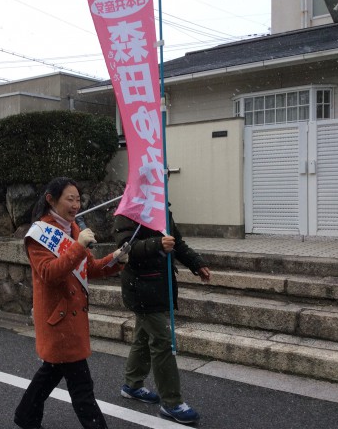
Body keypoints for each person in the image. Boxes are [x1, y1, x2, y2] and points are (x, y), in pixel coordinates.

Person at [14, 177, 129, 429]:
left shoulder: (74, 230)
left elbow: (91, 268)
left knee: (51, 373)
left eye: (78, 199)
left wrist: (116, 259)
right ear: (51, 200)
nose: (76, 205)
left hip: (72, 319)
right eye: (70, 199)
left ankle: (25, 415)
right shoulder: (38, 235)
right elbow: (49, 273)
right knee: (82, 387)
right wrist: (77, 247)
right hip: (59, 321)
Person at [113, 207, 211, 425]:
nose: (162, 176)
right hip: (141, 288)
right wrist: (157, 244)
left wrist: (197, 263)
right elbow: (124, 249)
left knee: (143, 337)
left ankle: (132, 384)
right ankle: (171, 402)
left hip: (159, 286)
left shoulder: (161, 205)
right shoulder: (129, 210)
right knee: (163, 341)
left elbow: (176, 243)